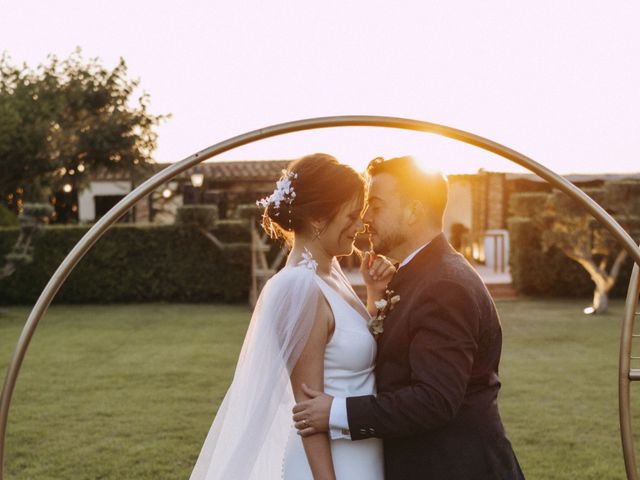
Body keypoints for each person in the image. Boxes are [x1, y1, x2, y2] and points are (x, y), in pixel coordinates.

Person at [293, 156, 525, 479]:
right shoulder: (417, 274)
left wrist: (335, 411)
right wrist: (374, 297)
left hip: (455, 468)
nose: (365, 218)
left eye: (375, 205)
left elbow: (434, 399)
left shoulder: (445, 285)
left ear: (413, 211)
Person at [189, 153, 395, 480]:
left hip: (362, 452)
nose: (360, 226)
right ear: (316, 218)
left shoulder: (331, 273)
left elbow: (346, 353)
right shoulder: (300, 288)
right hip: (335, 465)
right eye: (352, 215)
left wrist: (374, 295)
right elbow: (306, 412)